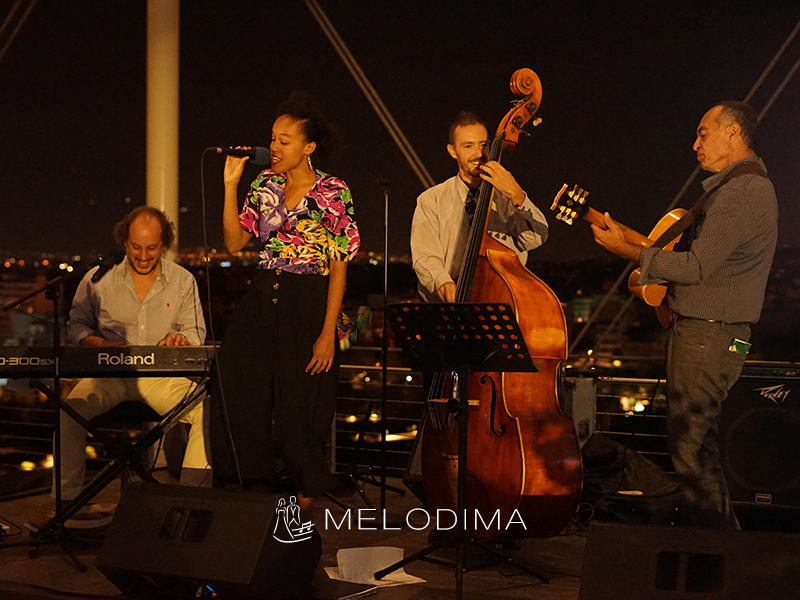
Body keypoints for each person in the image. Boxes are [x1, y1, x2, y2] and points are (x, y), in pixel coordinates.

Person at [591, 101, 778, 529]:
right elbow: (703, 263)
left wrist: (625, 250)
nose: (695, 144)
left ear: (733, 132)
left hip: (706, 336)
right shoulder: (744, 187)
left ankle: (719, 554)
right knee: (695, 447)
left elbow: (695, 268)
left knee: (693, 449)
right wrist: (637, 247)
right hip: (711, 334)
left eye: (703, 133)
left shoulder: (739, 192)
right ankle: (714, 551)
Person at [211, 91, 360, 515]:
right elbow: (236, 240)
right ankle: (246, 479)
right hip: (263, 293)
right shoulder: (265, 185)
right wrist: (230, 185)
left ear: (308, 147)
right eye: (273, 139)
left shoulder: (333, 191)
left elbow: (339, 265)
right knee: (237, 383)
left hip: (308, 298)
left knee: (302, 398)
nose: (274, 147)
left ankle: (306, 490)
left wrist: (328, 332)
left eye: (285, 140)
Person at [26, 206, 211, 532]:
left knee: (205, 411)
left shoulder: (183, 280)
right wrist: (101, 345)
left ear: (163, 243)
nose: (143, 255)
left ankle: (191, 506)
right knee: (69, 411)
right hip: (108, 375)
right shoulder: (98, 278)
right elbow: (76, 327)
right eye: (136, 247)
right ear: (125, 242)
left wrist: (181, 338)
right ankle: (64, 507)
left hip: (159, 377)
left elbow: (197, 334)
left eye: (151, 248)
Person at [410, 111, 549, 302]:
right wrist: (443, 283)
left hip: (501, 303)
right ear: (452, 151)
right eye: (468, 146)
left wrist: (516, 193)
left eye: (484, 145)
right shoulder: (431, 200)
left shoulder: (507, 195)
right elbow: (425, 256)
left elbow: (535, 239)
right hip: (447, 309)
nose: (479, 154)